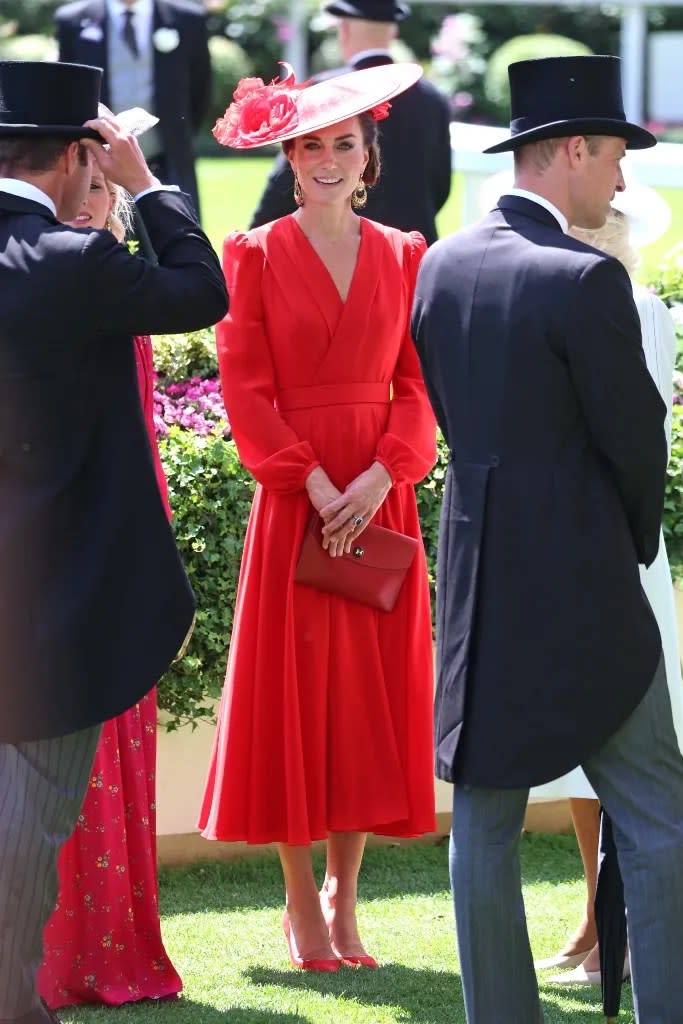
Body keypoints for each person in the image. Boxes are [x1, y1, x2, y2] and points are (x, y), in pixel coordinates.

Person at [411, 54, 683, 1023]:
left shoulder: (437, 266)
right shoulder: (582, 280)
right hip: (583, 600)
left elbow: (451, 423)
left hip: (477, 600)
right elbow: (634, 451)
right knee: (657, 818)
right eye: (611, 156)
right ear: (569, 150)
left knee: (480, 829)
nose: (619, 180)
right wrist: (626, 549)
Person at [0, 59, 226, 1024]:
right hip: (52, 599)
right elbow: (198, 290)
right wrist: (146, 184)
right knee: (29, 825)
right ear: (74, 157)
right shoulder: (71, 261)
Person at [199, 62, 437, 972]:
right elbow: (244, 390)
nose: (329, 159)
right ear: (288, 160)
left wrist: (383, 474)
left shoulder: (406, 252)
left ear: (368, 155)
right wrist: (312, 483)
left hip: (382, 498)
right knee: (297, 695)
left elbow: (417, 383)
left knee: (368, 698)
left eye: (344, 143)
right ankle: (302, 898)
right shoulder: (251, 254)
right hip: (298, 501)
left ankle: (346, 893)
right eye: (310, 146)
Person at [528, 200, 683, 987]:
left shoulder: (638, 310)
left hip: (618, 543)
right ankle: (596, 919)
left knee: (628, 752)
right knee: (587, 762)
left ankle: (616, 931)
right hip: (611, 544)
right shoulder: (616, 305)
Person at [37, 171, 182, 1009]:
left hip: (128, 531)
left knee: (115, 738)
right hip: (63, 539)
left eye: (104, 185)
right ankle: (45, 956)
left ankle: (109, 948)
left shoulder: (122, 286)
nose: (91, 199)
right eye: (78, 182)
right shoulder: (43, 278)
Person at [249, 0, 452, 246]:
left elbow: (291, 174)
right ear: (394, 31)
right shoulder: (434, 100)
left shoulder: (324, 91)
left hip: (343, 252)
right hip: (414, 252)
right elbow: (440, 185)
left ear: (343, 29)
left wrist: (256, 233)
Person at [54, 0, 211, 217]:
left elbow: (200, 89)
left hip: (168, 158)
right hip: (99, 165)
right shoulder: (73, 19)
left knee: (177, 236)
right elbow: (67, 90)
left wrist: (180, 136)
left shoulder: (188, 18)